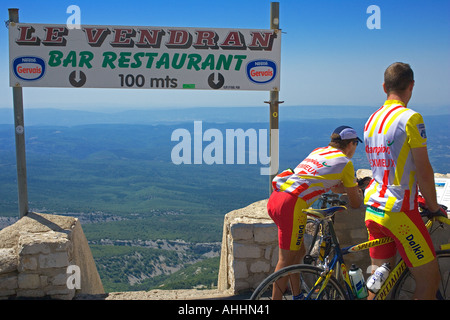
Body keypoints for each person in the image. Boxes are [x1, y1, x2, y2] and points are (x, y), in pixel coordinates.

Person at [363, 62, 445, 299]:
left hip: (374, 209)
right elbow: (423, 169)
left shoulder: (371, 119)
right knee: (430, 281)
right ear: (411, 86)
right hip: (400, 211)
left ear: (384, 87)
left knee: (378, 286)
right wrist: (433, 207)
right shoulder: (411, 118)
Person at [267, 126, 364, 299]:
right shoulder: (345, 163)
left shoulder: (319, 151)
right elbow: (355, 203)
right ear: (351, 144)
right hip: (292, 204)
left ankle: (297, 295)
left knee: (298, 252)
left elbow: (332, 185)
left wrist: (348, 187)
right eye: (356, 144)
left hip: (277, 197)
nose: (355, 149)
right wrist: (357, 188)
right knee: (285, 261)